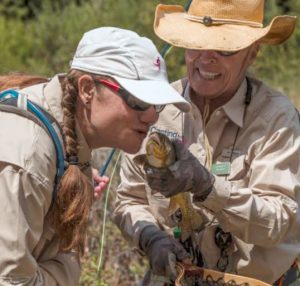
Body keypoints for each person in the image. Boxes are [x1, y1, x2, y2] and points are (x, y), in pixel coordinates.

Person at [112, 1, 300, 285]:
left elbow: (277, 221)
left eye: (225, 48)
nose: (207, 58)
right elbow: (129, 199)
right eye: (197, 44)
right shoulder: (157, 109)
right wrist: (150, 238)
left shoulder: (276, 118)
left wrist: (207, 187)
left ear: (252, 53)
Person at [0, 26, 190, 285]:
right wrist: (67, 268)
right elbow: (12, 280)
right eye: (139, 101)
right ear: (87, 89)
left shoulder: (62, 143)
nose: (152, 116)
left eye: (157, 104)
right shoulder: (29, 154)